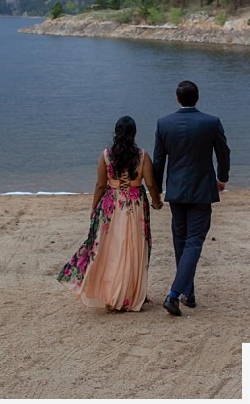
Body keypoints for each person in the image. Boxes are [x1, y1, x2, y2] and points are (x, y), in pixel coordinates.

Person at [57, 116, 163, 312]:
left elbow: (100, 185)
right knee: (133, 248)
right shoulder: (142, 156)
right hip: (135, 206)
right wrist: (157, 202)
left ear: (116, 133)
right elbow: (149, 183)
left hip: (111, 205)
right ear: (134, 134)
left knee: (112, 249)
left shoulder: (106, 155)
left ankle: (111, 293)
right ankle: (130, 294)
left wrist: (94, 207)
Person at [152, 80, 230, 317]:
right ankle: (175, 294)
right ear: (197, 98)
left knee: (181, 240)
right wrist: (222, 178)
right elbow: (224, 152)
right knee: (194, 241)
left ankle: (189, 293)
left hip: (176, 191)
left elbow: (158, 161)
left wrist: (155, 191)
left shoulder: (164, 123)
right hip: (202, 190)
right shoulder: (211, 122)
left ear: (177, 99)